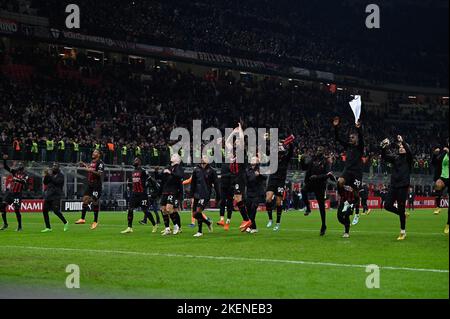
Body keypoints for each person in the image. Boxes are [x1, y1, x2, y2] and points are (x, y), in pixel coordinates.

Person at [333, 117, 365, 227]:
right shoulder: (348, 146)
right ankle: (346, 201)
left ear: (356, 138)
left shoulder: (360, 147)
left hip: (357, 173)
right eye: (350, 137)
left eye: (352, 137)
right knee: (340, 182)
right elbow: (337, 138)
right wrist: (336, 127)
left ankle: (357, 213)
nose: (350, 139)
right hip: (347, 171)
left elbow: (361, 137)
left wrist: (359, 129)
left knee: (356, 193)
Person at [380, 135, 413, 240]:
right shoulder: (395, 158)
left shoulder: (408, 159)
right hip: (394, 185)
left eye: (404, 147)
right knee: (387, 205)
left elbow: (409, 151)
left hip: (403, 186)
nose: (402, 148)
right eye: (401, 147)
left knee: (401, 207)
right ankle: (402, 214)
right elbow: (384, 156)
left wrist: (402, 142)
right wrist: (384, 147)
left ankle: (403, 232)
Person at [300, 146, 335, 236]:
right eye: (318, 150)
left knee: (321, 206)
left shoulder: (326, 161)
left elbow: (328, 175)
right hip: (311, 182)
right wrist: (301, 160)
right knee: (303, 190)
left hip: (320, 185)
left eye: (320, 150)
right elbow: (306, 169)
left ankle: (323, 225)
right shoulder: (313, 159)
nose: (318, 152)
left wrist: (317, 177)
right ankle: (308, 208)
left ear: (323, 152)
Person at [265, 134, 295, 231]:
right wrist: (267, 140)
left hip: (281, 181)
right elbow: (267, 151)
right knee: (268, 199)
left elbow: (291, 151)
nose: (278, 153)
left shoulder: (286, 158)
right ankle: (270, 219)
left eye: (280, 152)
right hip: (272, 179)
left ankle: (278, 222)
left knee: (278, 202)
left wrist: (290, 143)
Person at [121, 158, 158, 234]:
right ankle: (129, 227)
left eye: (136, 160)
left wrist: (155, 191)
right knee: (130, 209)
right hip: (134, 194)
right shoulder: (133, 171)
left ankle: (154, 224)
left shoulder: (143, 171)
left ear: (140, 162)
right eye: (134, 160)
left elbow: (151, 180)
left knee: (145, 211)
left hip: (142, 194)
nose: (134, 161)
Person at [190, 155, 220, 237]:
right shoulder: (196, 170)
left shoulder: (212, 171)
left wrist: (218, 195)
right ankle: (208, 222)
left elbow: (216, 184)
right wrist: (191, 194)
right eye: (202, 157)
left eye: (205, 158)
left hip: (205, 194)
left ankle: (200, 231)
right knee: (194, 214)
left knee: (198, 211)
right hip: (197, 193)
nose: (203, 159)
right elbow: (193, 183)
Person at [75, 150, 105, 230]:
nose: (93, 153)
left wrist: (90, 170)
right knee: (85, 199)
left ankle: (95, 221)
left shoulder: (100, 163)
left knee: (95, 201)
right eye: (93, 152)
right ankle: (82, 219)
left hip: (96, 185)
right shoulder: (92, 162)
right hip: (90, 184)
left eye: (95, 152)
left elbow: (99, 173)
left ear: (99, 155)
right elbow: (90, 169)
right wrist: (84, 165)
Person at [1, 155, 28, 231]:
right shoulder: (14, 172)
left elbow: (24, 182)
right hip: (10, 193)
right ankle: (5, 224)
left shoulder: (25, 175)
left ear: (23, 167)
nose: (19, 166)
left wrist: (17, 179)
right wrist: (5, 160)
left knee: (16, 210)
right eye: (18, 165)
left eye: (20, 165)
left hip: (17, 194)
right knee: (3, 206)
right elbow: (6, 167)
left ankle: (20, 226)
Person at [160, 154, 184, 236]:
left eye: (174, 156)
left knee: (169, 209)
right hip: (165, 191)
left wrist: (171, 173)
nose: (172, 156)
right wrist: (159, 172)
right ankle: (167, 228)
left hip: (173, 191)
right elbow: (161, 177)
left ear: (178, 159)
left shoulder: (179, 168)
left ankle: (176, 226)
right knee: (163, 209)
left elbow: (179, 176)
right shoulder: (168, 166)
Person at [41, 163, 69, 232]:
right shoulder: (51, 175)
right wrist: (46, 175)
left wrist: (50, 176)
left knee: (56, 211)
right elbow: (45, 182)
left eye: (55, 166)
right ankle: (48, 227)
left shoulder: (61, 176)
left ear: (58, 167)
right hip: (49, 195)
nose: (54, 167)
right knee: (44, 210)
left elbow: (57, 182)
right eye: (53, 166)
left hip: (56, 195)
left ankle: (65, 222)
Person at [245, 156, 267, 234]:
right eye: (252, 159)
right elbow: (246, 180)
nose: (252, 160)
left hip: (257, 193)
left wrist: (259, 175)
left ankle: (250, 226)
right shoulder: (247, 170)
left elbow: (265, 177)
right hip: (249, 193)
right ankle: (253, 227)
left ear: (257, 161)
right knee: (248, 210)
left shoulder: (260, 169)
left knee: (253, 209)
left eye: (254, 159)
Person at [432, 142, 449, 234]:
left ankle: (448, 224)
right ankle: (438, 206)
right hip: (443, 176)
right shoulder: (444, 153)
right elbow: (435, 162)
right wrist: (434, 155)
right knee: (437, 185)